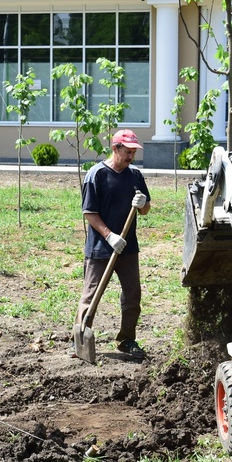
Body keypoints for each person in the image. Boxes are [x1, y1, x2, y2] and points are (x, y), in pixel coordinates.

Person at [75, 129, 152, 359]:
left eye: (133, 153)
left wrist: (143, 203)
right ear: (114, 148)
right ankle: (78, 340)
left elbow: (146, 210)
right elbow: (89, 212)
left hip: (128, 248)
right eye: (126, 152)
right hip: (100, 248)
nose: (130, 157)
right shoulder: (96, 175)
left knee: (132, 295)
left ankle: (126, 340)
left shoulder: (135, 176)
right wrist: (109, 236)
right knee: (91, 295)